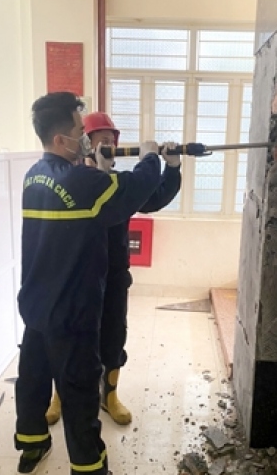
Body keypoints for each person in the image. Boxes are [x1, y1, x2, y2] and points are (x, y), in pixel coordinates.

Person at [15, 91, 162, 475]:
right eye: (80, 130)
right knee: (80, 394)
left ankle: (32, 446)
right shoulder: (83, 182)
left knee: (32, 382)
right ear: (60, 139)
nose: (85, 137)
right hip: (72, 313)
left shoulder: (33, 177)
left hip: (37, 307)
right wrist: (151, 156)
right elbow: (134, 188)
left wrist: (100, 168)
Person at [44, 112, 182, 426]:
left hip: (113, 274)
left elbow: (153, 197)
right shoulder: (68, 181)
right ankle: (60, 395)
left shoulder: (119, 184)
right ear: (84, 142)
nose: (107, 144)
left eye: (111, 139)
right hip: (75, 277)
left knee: (113, 336)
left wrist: (172, 168)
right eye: (100, 138)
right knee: (69, 337)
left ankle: (109, 396)